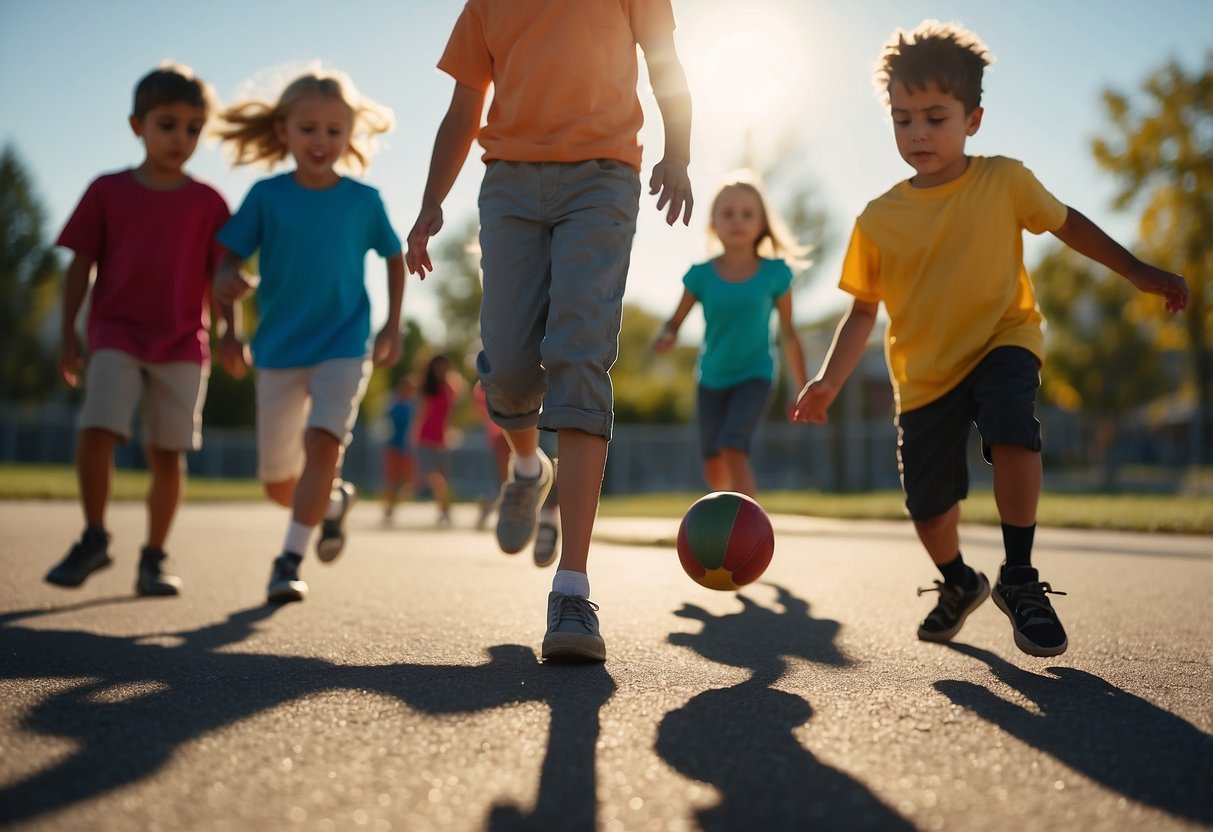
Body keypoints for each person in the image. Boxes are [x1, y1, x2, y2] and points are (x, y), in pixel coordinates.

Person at [793, 21, 1189, 658]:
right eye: (902, 119)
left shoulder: (1004, 181)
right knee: (927, 509)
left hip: (1004, 338)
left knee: (1011, 423)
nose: (917, 132)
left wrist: (1139, 272)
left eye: (935, 116)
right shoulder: (878, 219)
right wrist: (829, 381)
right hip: (923, 375)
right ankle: (959, 582)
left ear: (973, 118)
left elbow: (1070, 227)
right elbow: (863, 312)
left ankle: (1020, 578)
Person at [406, 0, 694, 661]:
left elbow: (666, 67)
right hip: (508, 183)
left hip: (602, 178)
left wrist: (677, 154)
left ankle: (572, 590)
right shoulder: (485, 7)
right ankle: (527, 466)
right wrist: (430, 204)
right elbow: (463, 109)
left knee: (577, 354)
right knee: (506, 370)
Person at [212, 68, 405, 604]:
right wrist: (228, 328)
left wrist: (391, 324)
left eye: (334, 130)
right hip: (276, 350)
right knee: (280, 484)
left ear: (350, 135)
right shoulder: (266, 196)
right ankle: (334, 502)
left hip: (344, 344)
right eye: (309, 129)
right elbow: (228, 262)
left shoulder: (363, 201)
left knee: (324, 442)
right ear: (284, 132)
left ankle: (287, 561)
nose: (322, 141)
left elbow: (394, 256)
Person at [44, 63, 238, 597]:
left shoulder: (210, 203)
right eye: (167, 124)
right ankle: (94, 537)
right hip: (114, 333)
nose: (181, 138)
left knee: (167, 453)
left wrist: (231, 331)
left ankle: (154, 558)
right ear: (137, 126)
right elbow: (80, 264)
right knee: (97, 430)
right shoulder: (106, 191)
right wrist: (68, 332)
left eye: (193, 128)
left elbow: (222, 275)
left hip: (180, 342)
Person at [653, 172, 808, 497]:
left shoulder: (775, 274)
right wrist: (667, 335)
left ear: (761, 223)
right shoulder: (700, 276)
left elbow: (790, 334)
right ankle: (725, 506)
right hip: (711, 378)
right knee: (714, 463)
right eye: (728, 213)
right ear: (713, 223)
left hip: (755, 374)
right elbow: (674, 322)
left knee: (732, 444)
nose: (737, 220)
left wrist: (800, 387)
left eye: (747, 214)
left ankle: (749, 527)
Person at [414, 354, 465, 527]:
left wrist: (451, 431)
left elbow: (452, 412)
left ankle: (444, 511)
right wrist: (413, 436)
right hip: (426, 437)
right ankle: (444, 509)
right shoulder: (427, 388)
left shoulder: (451, 388)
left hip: (441, 439)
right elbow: (421, 414)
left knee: (443, 477)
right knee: (432, 477)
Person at [381, 374, 417, 524]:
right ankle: (388, 509)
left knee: (407, 480)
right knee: (392, 480)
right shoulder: (394, 405)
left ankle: (395, 503)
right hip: (395, 446)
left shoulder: (414, 407)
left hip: (408, 449)